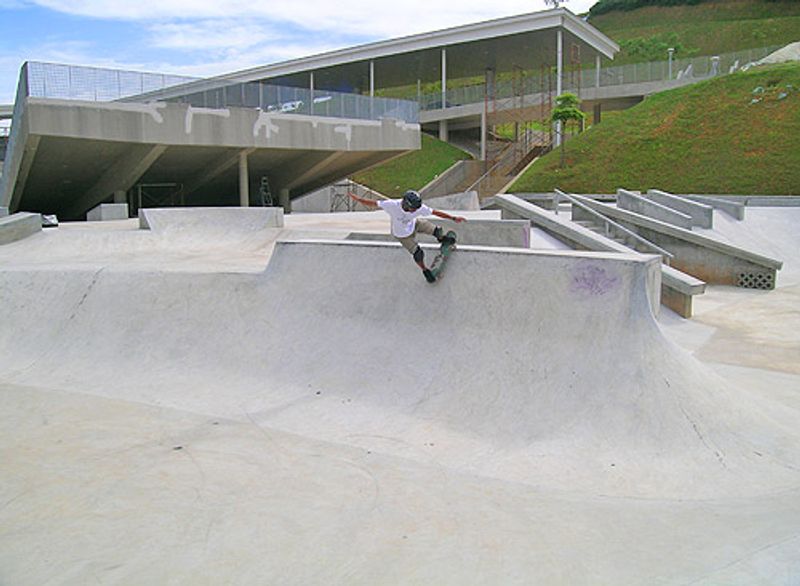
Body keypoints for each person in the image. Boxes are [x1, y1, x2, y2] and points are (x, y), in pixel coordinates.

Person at [349, 190, 466, 282]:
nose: (414, 210)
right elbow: (373, 203)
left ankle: (441, 239)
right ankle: (425, 271)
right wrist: (358, 199)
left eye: (416, 209)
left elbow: (435, 212)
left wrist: (453, 218)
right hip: (402, 235)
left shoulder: (418, 208)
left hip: (415, 224)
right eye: (413, 209)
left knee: (437, 230)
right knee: (418, 253)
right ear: (405, 204)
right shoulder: (392, 205)